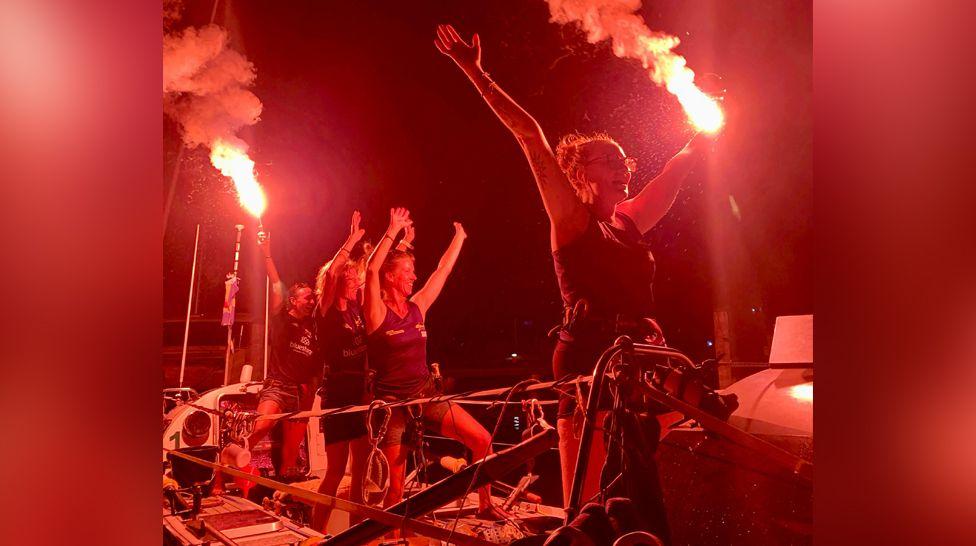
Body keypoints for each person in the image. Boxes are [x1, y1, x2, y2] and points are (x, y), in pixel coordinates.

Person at [435, 23, 722, 535]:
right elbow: (530, 136)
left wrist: (709, 124)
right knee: (585, 508)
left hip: (635, 359)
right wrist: (476, 74)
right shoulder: (571, 218)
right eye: (607, 160)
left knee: (701, 406)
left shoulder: (629, 220)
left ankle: (637, 470)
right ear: (580, 173)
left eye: (623, 159)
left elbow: (678, 167)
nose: (622, 166)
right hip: (588, 357)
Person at [364, 208, 503, 519]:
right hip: (393, 407)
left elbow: (443, 270)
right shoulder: (376, 313)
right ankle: (390, 536)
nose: (414, 276)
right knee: (395, 491)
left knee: (482, 440)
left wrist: (460, 238)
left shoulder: (418, 307)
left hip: (426, 395)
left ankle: (485, 506)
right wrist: (392, 231)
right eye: (408, 271)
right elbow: (372, 270)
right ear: (391, 276)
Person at [310, 211, 415, 532]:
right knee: (334, 471)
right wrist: (352, 238)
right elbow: (332, 274)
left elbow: (378, 273)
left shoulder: (359, 309)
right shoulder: (327, 310)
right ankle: (315, 533)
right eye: (351, 278)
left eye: (356, 278)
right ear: (340, 282)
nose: (356, 282)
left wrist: (402, 243)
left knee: (359, 472)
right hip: (337, 397)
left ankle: (354, 535)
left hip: (361, 396)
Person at [247, 231, 318, 478]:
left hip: (300, 393)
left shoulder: (314, 325)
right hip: (277, 386)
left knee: (291, 452)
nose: (312, 301)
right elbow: (277, 286)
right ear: (293, 301)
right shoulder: (281, 318)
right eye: (307, 298)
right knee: (259, 428)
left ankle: (283, 490)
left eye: (313, 297)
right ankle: (221, 474)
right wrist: (267, 253)